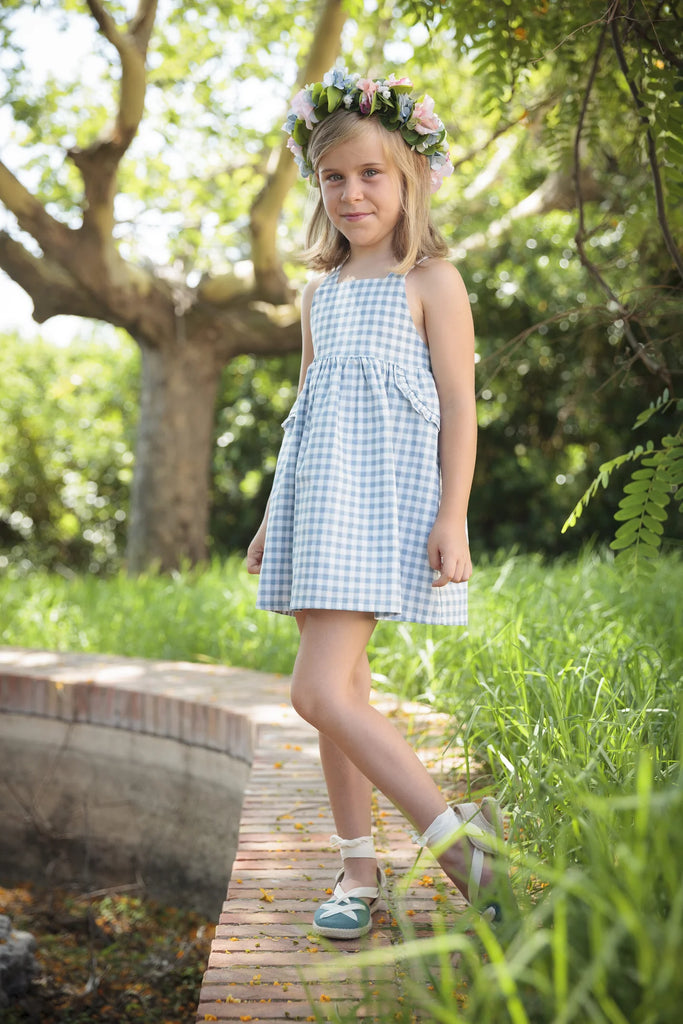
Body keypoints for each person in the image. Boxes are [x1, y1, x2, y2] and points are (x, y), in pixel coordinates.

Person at [247, 67, 511, 939]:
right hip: (316, 502)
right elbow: (305, 411)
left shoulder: (431, 281)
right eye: (333, 177)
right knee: (343, 690)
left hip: (383, 502)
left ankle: (463, 850)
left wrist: (453, 514)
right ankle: (357, 869)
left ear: (411, 180)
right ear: (316, 188)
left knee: (316, 690)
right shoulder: (319, 294)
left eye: (371, 175)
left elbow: (461, 408)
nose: (352, 193)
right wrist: (268, 517)